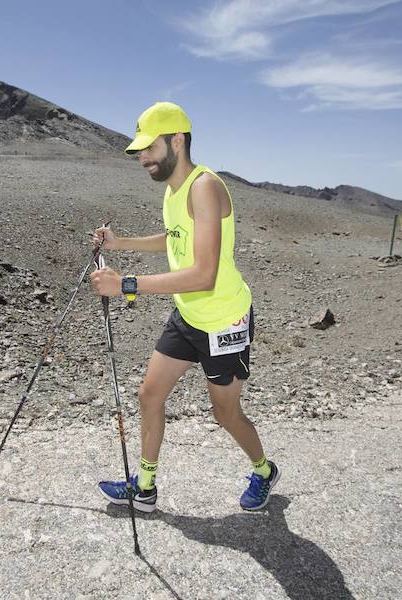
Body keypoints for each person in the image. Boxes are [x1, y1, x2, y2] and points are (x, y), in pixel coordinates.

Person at [89, 102, 279, 512]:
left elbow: (204, 274)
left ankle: (263, 471)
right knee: (149, 395)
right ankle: (145, 485)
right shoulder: (174, 191)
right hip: (188, 315)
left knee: (225, 414)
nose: (142, 158)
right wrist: (122, 243)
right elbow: (175, 237)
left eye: (148, 147)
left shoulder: (203, 186)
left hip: (224, 320)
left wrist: (125, 285)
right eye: (139, 150)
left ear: (177, 140)